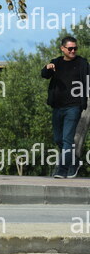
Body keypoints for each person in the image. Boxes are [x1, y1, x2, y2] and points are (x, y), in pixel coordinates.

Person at [41, 36, 89, 179]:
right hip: (57, 107)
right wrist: (47, 68)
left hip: (74, 107)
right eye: (70, 48)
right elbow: (44, 75)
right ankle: (74, 162)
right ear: (62, 48)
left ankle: (62, 170)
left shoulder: (82, 63)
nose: (73, 51)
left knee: (67, 139)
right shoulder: (56, 62)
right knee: (58, 139)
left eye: (75, 48)